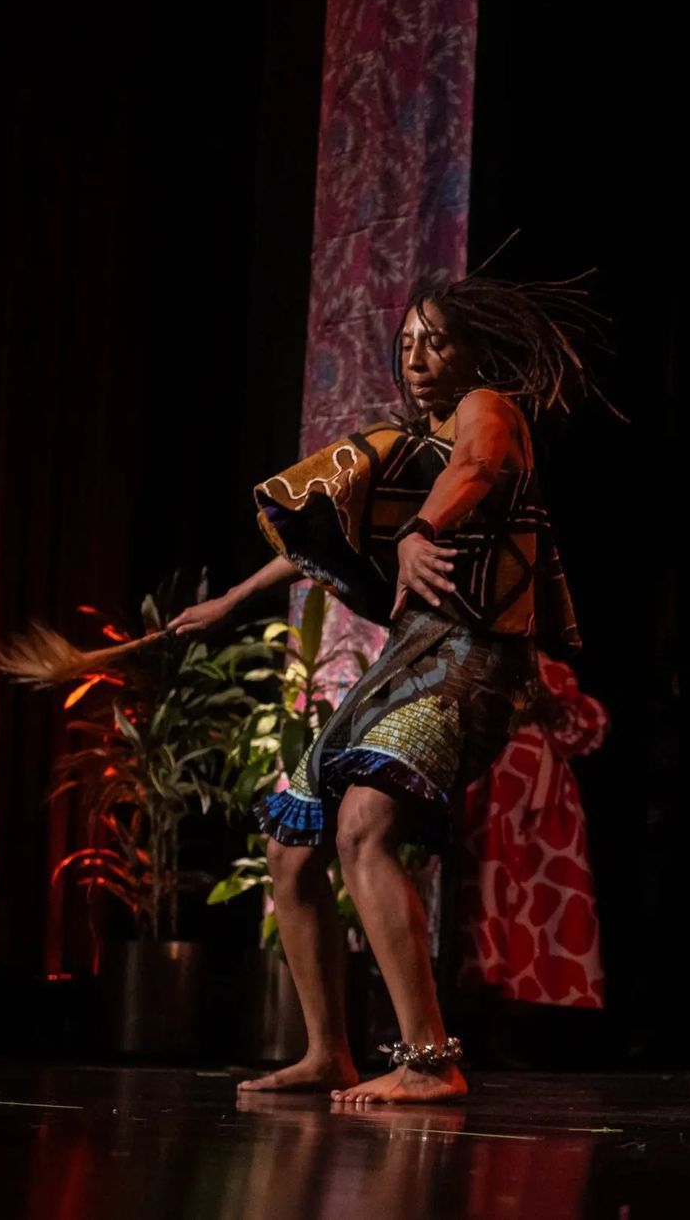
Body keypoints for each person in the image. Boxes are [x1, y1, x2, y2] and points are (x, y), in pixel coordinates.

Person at [168, 270, 608, 1103]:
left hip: (474, 655)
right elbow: (328, 532)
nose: (415, 357)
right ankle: (326, 1050)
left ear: (473, 347)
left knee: (365, 824)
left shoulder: (489, 407)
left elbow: (477, 465)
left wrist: (421, 530)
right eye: (406, 343)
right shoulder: (414, 441)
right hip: (409, 654)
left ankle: (430, 1058)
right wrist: (233, 596)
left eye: (434, 340)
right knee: (290, 850)